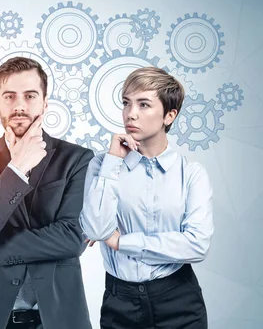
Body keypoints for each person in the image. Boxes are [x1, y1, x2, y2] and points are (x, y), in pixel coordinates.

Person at [0, 57, 93, 329]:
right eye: (9, 97)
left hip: (59, 318)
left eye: (30, 96)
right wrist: (17, 168)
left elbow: (72, 238)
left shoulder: (77, 159)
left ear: (45, 103)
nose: (19, 106)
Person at [80, 67, 213, 329]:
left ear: (169, 115)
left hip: (179, 300)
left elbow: (197, 245)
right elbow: (95, 229)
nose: (131, 113)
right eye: (126, 103)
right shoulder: (102, 165)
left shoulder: (191, 174)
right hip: (120, 302)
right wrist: (113, 162)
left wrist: (122, 242)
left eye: (144, 104)